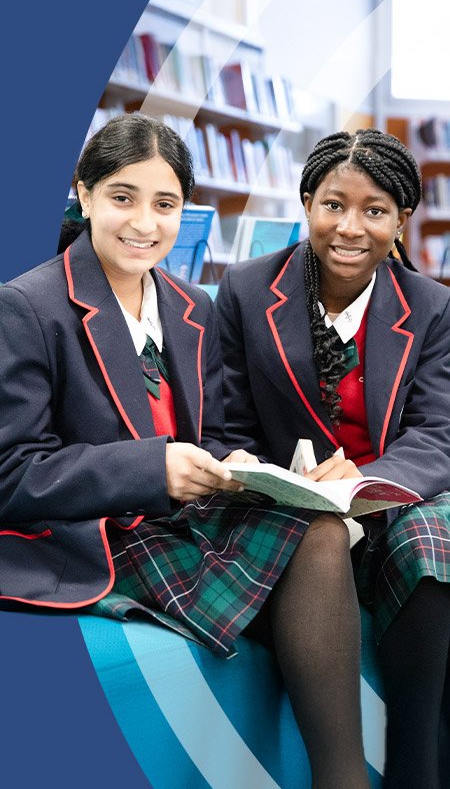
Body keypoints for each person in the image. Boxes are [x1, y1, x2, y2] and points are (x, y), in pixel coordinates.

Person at [0, 113, 372, 789]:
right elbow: (13, 474)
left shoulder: (187, 305)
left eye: (165, 204)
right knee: (313, 560)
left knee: (320, 528)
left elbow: (216, 431)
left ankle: (340, 779)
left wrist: (254, 468)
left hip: (183, 515)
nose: (145, 223)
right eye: (122, 197)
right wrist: (155, 466)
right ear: (82, 195)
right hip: (100, 533)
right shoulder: (27, 307)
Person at [215, 128, 450, 789]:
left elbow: (439, 433)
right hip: (284, 506)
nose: (350, 227)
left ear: (401, 220)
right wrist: (255, 471)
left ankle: (414, 766)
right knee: (319, 539)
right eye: (332, 205)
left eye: (374, 210)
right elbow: (225, 420)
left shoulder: (432, 308)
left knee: (435, 540)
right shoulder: (246, 290)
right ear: (306, 204)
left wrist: (372, 476)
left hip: (387, 503)